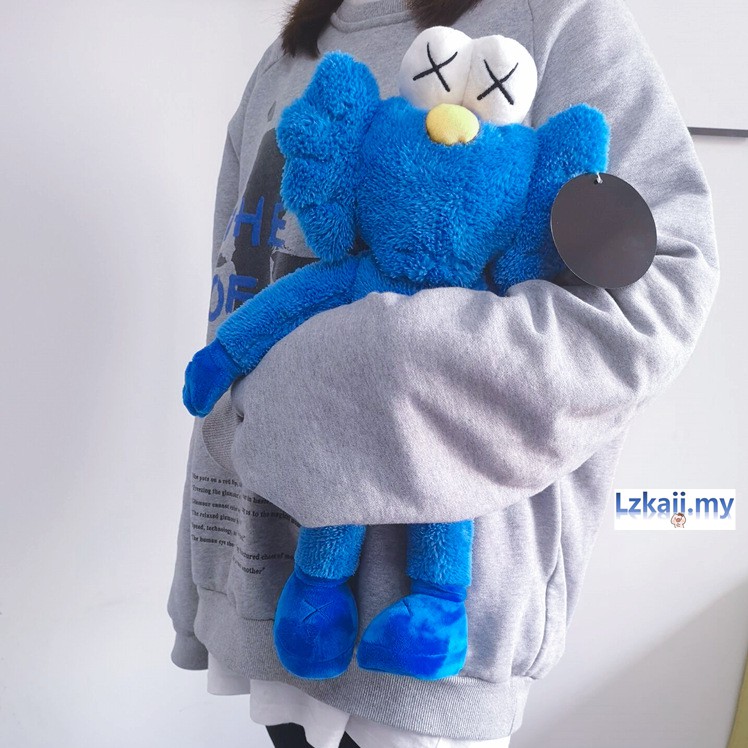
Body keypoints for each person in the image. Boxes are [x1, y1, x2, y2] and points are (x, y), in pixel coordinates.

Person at [167, 0, 719, 746]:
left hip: (431, 652)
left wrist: (356, 373)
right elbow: (236, 301)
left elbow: (659, 283)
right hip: (268, 593)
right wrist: (202, 584)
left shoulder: (557, 21)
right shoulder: (290, 54)